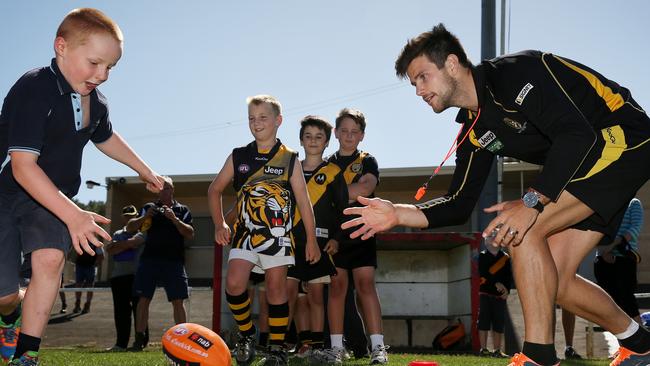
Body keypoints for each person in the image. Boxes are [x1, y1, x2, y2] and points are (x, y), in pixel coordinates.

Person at [341, 24, 650, 366]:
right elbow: (458, 204)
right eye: (414, 84)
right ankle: (640, 344)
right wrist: (398, 213)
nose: (418, 91)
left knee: (523, 227)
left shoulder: (517, 73)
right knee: (556, 281)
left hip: (623, 139)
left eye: (423, 77)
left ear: (452, 64)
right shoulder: (474, 131)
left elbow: (576, 135)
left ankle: (538, 357)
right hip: (582, 165)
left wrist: (532, 201)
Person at [0, 8, 164, 365]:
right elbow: (23, 168)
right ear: (61, 47)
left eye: (110, 67)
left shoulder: (96, 103)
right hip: (9, 194)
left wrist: (145, 171)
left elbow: (104, 137)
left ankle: (26, 356)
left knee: (51, 259)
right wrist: (75, 217)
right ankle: (10, 315)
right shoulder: (34, 88)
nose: (102, 75)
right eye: (94, 63)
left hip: (51, 199)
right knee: (5, 297)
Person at [208, 94, 320, 366]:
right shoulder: (239, 156)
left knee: (275, 290)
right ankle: (247, 335)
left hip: (279, 237)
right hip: (245, 235)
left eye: (263, 117)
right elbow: (214, 190)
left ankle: (277, 348)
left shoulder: (289, 158)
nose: (256, 123)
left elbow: (304, 204)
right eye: (251, 118)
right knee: (234, 283)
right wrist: (220, 223)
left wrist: (312, 241)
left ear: (278, 121)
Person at [322, 108, 388, 365]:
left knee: (365, 286)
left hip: (362, 230)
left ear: (361, 135)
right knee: (337, 288)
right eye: (344, 131)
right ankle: (337, 348)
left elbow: (365, 188)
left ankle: (378, 348)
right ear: (336, 133)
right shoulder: (326, 163)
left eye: (355, 132)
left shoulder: (368, 160)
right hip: (333, 236)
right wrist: (337, 194)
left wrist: (331, 193)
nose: (349, 136)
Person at [287, 116, 347, 361]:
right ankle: (278, 345)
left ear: (327, 142)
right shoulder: (290, 170)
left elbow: (343, 209)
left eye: (319, 137)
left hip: (320, 244)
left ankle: (316, 346)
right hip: (289, 243)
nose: (313, 141)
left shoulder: (333, 172)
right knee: (286, 293)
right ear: (301, 140)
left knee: (315, 296)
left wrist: (337, 238)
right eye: (308, 136)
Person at [126, 176, 194, 351]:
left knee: (178, 300)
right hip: (150, 260)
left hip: (174, 262)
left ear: (173, 190)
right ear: (157, 191)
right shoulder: (149, 207)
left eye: (168, 188)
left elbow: (190, 233)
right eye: (162, 188)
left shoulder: (182, 210)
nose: (165, 191)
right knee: (143, 300)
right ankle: (139, 340)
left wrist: (174, 219)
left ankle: (183, 340)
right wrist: (145, 217)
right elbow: (130, 227)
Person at [594, 198, 644, 324]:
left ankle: (641, 336)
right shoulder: (606, 204)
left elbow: (635, 228)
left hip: (624, 258)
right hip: (602, 258)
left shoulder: (634, 203)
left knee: (627, 299)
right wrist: (604, 251)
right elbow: (597, 228)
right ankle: (623, 338)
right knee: (609, 301)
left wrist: (612, 246)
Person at [104, 204, 146, 352]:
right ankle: (121, 344)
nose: (129, 219)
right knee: (121, 312)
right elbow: (111, 250)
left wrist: (119, 246)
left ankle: (140, 342)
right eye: (127, 216)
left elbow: (116, 248)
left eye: (132, 216)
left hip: (137, 276)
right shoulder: (117, 233)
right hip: (119, 277)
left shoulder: (143, 233)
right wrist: (127, 246)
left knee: (139, 309)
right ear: (123, 218)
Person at [478, 245, 512, 358]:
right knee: (483, 320)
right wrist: (496, 283)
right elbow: (483, 273)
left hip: (499, 296)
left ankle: (497, 350)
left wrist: (507, 290)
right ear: (486, 241)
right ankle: (483, 349)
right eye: (490, 236)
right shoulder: (482, 256)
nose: (492, 239)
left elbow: (508, 276)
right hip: (485, 293)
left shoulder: (505, 257)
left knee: (499, 321)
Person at [72, 243, 104, 314]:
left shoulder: (96, 243)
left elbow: (101, 256)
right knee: (78, 285)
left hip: (90, 267)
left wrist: (95, 264)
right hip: (80, 266)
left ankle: (87, 305)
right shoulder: (80, 240)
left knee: (90, 286)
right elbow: (74, 252)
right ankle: (77, 304)